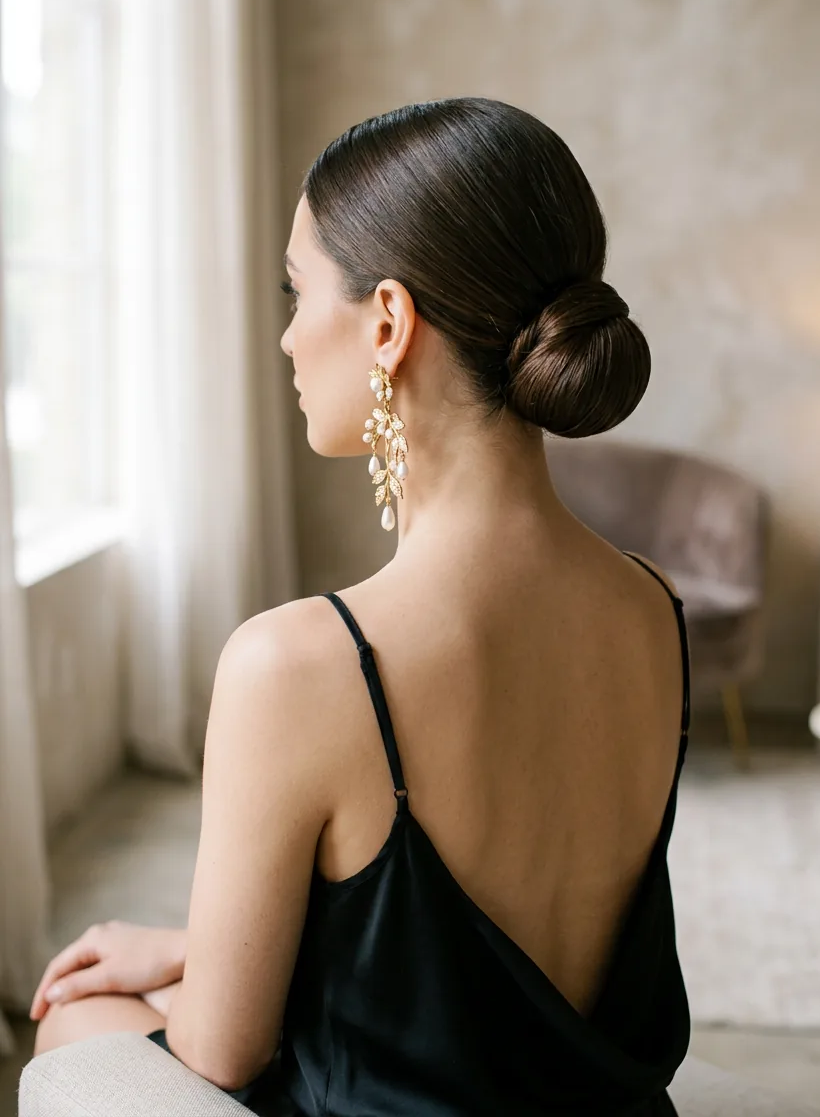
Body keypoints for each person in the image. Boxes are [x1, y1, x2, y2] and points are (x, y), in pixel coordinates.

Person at [29, 97, 691, 1114]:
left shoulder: (300, 662)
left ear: (387, 322)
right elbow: (485, 975)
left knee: (76, 1016)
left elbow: (222, 1054)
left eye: (297, 293)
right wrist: (191, 946)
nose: (289, 339)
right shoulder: (653, 608)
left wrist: (191, 976)